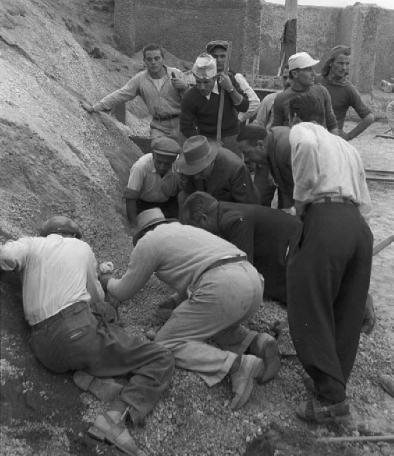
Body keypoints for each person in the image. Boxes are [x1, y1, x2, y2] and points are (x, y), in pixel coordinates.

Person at [0, 216, 174, 455]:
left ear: (46, 233)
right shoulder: (82, 248)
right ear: (74, 235)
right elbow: (98, 296)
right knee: (160, 357)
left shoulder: (31, 244)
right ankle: (112, 421)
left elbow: (6, 257)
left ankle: (91, 377)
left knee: (96, 335)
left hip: (44, 350)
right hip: (78, 335)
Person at [101, 208, 281, 410]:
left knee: (166, 343)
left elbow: (124, 290)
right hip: (252, 280)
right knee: (214, 322)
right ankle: (257, 341)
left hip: (223, 285)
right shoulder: (187, 231)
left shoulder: (149, 241)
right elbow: (203, 265)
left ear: (143, 232)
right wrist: (178, 299)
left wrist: (107, 281)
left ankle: (237, 365)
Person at [286, 93, 373, 424]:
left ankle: (330, 399)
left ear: (294, 117)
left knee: (309, 302)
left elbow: (304, 148)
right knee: (346, 309)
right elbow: (364, 199)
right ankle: (334, 380)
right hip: (357, 227)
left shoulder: (302, 132)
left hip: (326, 218)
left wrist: (301, 201)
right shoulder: (345, 146)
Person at [182, 191, 302, 304]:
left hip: (293, 246)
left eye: (197, 228)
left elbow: (243, 269)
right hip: (282, 242)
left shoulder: (233, 220)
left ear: (204, 219)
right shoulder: (223, 212)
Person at [86, 44, 188, 140]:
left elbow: (193, 98)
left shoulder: (176, 74)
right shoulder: (140, 80)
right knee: (161, 155)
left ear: (163, 59)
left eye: (157, 58)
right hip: (159, 127)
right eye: (149, 59)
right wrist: (95, 107)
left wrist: (185, 87)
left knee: (187, 156)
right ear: (144, 61)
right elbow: (121, 94)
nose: (153, 62)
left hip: (181, 123)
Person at [180, 53, 248, 156]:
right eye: (198, 82)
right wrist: (203, 143)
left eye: (206, 82)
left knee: (233, 167)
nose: (202, 87)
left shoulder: (227, 81)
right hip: (206, 139)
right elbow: (186, 126)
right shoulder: (190, 97)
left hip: (231, 137)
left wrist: (230, 89)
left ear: (215, 77)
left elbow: (244, 107)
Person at [176, 135, 260, 206]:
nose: (196, 177)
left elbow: (246, 206)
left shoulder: (235, 169)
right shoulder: (190, 161)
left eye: (200, 171)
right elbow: (188, 193)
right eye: (192, 171)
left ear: (211, 162)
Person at [272, 52, 338, 134]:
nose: (313, 73)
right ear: (295, 74)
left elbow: (332, 125)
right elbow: (276, 130)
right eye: (308, 69)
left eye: (312, 69)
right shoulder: (281, 98)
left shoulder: (321, 92)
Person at [320, 45, 374, 140]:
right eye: (340, 63)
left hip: (333, 140)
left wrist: (349, 136)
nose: (344, 68)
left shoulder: (348, 89)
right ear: (330, 63)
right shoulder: (316, 81)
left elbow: (369, 118)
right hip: (313, 136)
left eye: (347, 64)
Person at [124, 136, 181, 227]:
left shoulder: (179, 165)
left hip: (169, 204)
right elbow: (131, 199)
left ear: (173, 160)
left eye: (167, 164)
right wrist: (134, 225)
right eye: (159, 162)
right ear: (153, 155)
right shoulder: (140, 167)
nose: (162, 167)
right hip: (144, 205)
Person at [237, 125, 294, 210]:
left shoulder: (284, 150)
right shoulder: (270, 139)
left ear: (260, 145)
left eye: (247, 153)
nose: (246, 159)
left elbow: (298, 192)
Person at [205, 40, 260, 124]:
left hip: (230, 131)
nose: (219, 60)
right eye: (215, 56)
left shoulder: (236, 77)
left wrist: (237, 119)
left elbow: (254, 103)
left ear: (228, 57)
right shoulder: (202, 78)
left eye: (222, 56)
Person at [254, 65, 290, 130]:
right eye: (285, 77)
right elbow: (259, 125)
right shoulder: (270, 99)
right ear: (281, 78)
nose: (288, 81)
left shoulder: (304, 101)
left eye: (291, 77)